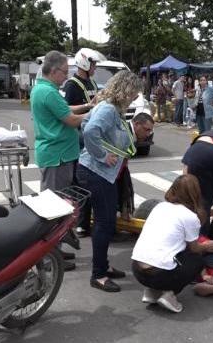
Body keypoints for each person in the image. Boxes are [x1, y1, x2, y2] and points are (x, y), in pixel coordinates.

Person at [78, 70, 142, 293]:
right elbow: (90, 132)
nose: (135, 97)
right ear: (125, 90)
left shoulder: (110, 108)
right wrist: (103, 156)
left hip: (100, 172)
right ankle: (98, 275)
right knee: (105, 224)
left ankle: (103, 266)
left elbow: (86, 126)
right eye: (134, 92)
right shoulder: (107, 109)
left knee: (107, 223)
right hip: (97, 172)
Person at [131, 174, 213, 313]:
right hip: (158, 274)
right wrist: (206, 246)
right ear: (196, 193)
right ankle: (170, 294)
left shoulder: (160, 206)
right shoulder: (190, 216)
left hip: (137, 269)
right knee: (197, 260)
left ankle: (152, 292)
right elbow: (195, 248)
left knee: (169, 254)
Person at [30, 51, 84, 271]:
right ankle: (47, 257)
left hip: (58, 154)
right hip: (56, 155)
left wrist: (89, 106)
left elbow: (64, 110)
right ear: (53, 71)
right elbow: (70, 120)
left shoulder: (45, 89)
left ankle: (55, 250)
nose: (67, 76)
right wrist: (96, 113)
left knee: (60, 207)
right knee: (54, 209)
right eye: (64, 72)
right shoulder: (48, 92)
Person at [64, 48, 105, 238]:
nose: (95, 67)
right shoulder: (72, 84)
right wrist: (89, 107)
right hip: (79, 136)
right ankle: (80, 224)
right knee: (82, 181)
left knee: (91, 179)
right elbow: (66, 108)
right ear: (84, 63)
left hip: (91, 134)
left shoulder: (91, 82)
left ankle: (87, 221)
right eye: (94, 64)